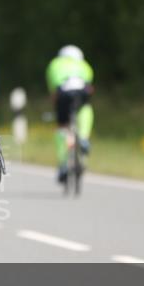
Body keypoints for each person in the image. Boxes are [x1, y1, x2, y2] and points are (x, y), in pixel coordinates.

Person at [46, 45, 94, 184]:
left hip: (64, 91)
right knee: (85, 108)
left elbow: (53, 92)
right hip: (82, 90)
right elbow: (90, 85)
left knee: (62, 126)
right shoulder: (85, 65)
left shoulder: (54, 64)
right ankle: (83, 137)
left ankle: (63, 163)